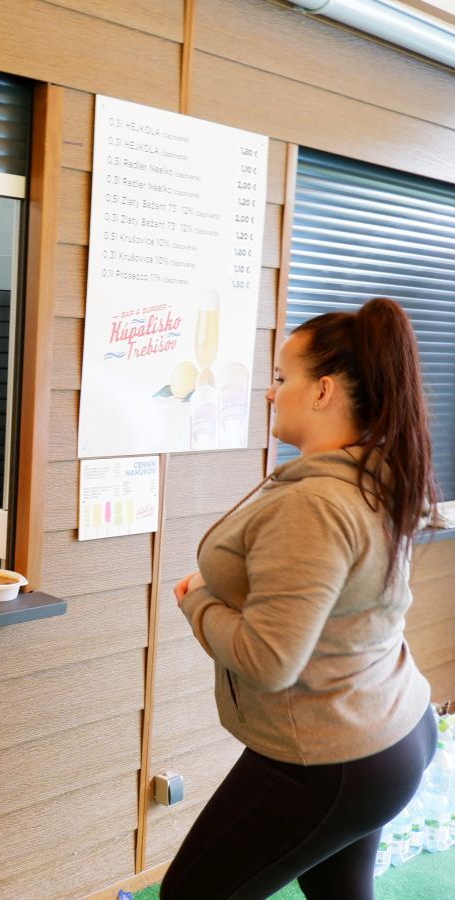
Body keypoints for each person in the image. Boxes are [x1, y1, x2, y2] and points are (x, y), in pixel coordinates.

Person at [161, 297, 439, 900]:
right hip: (391, 727)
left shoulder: (314, 505)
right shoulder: (375, 476)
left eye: (282, 378)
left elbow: (268, 660)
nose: (270, 393)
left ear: (323, 391)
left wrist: (197, 600)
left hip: (335, 756)